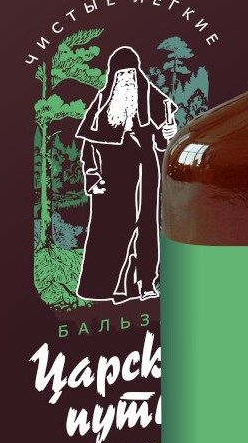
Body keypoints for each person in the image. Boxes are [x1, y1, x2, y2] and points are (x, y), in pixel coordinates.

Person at [75, 45, 177, 303]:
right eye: (122, 74)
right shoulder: (102, 103)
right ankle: (104, 288)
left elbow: (162, 138)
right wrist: (93, 177)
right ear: (113, 77)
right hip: (112, 178)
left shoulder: (150, 97)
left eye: (131, 73)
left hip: (146, 172)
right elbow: (89, 146)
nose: (127, 80)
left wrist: (168, 133)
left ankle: (145, 283)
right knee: (110, 230)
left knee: (147, 226)